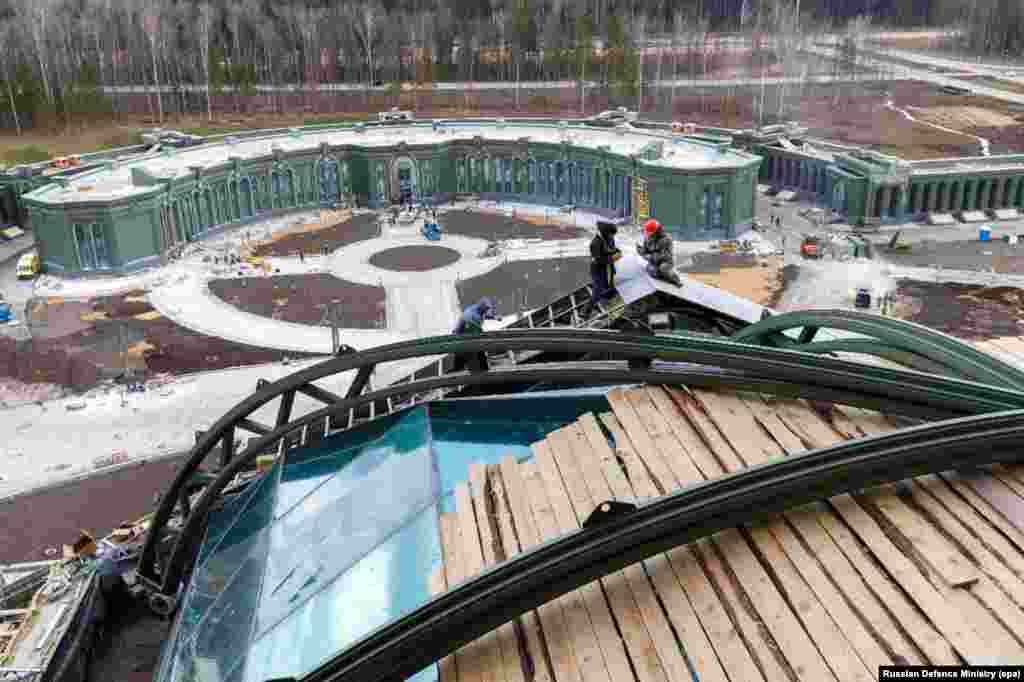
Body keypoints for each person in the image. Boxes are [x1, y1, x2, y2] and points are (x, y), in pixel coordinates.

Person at [452, 297, 497, 373]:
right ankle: (459, 372)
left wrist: (494, 317)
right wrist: (479, 329)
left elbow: (484, 316)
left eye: (487, 309)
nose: (487, 311)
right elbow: (467, 321)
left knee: (479, 353)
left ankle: (484, 369)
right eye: (486, 309)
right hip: (462, 336)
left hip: (472, 334)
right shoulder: (470, 313)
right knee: (464, 354)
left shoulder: (480, 311)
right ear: (481, 307)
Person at [588, 220, 622, 317]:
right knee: (597, 291)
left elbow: (612, 249)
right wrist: (612, 258)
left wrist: (617, 252)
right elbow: (598, 260)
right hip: (598, 270)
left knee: (609, 285)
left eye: (613, 235)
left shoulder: (610, 238)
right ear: (605, 233)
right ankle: (585, 311)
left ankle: (607, 304)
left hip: (608, 268)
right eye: (611, 234)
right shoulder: (595, 243)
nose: (612, 236)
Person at [637, 219, 682, 286]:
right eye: (647, 231)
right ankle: (661, 275)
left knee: (663, 268)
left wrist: (651, 257)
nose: (646, 233)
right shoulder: (647, 238)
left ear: (655, 232)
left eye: (648, 232)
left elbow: (666, 255)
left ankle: (675, 280)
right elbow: (646, 250)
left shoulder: (666, 239)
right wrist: (641, 251)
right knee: (653, 271)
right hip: (654, 262)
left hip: (666, 262)